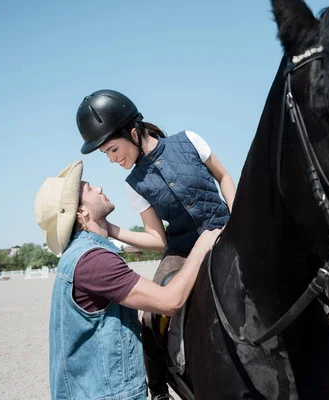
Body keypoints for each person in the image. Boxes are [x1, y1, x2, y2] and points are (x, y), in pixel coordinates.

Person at [75, 89, 236, 399]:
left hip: (227, 230)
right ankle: (159, 391)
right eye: (106, 154)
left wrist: (237, 217)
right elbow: (156, 238)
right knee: (150, 317)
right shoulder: (134, 186)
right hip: (182, 251)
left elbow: (224, 177)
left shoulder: (189, 139)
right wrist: (110, 228)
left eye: (112, 149)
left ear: (133, 132)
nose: (111, 159)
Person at [34, 160, 221, 400]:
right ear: (81, 212)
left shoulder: (82, 254)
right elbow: (171, 300)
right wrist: (202, 245)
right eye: (89, 188)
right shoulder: (94, 261)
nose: (99, 188)